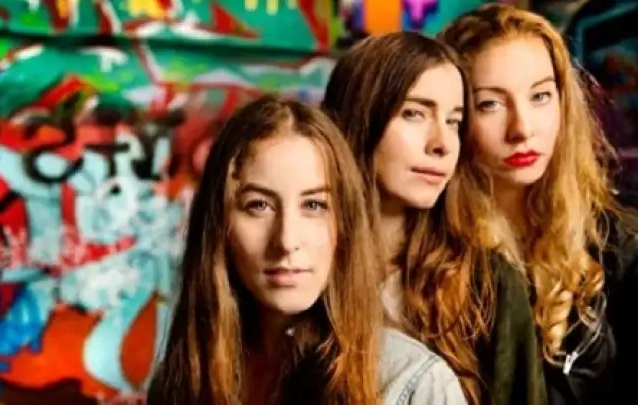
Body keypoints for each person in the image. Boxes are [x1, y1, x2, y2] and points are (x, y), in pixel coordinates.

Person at [147, 94, 467, 405]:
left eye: (314, 205)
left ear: (344, 223)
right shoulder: (181, 381)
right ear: (219, 225)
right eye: (258, 205)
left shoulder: (414, 384)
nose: (287, 241)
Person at [322, 31, 546, 405]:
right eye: (415, 113)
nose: (442, 143)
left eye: (454, 121)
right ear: (361, 117)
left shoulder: (488, 287)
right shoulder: (302, 268)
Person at [439, 3, 638, 404]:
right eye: (490, 104)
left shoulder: (619, 243)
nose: (522, 128)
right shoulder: (428, 256)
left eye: (541, 96)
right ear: (454, 117)